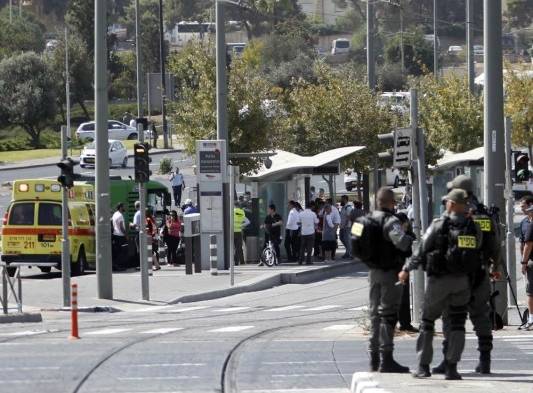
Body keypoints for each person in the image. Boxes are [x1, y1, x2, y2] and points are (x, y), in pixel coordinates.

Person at [399, 188, 483, 380]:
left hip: (439, 281)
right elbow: (476, 250)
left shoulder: (439, 225)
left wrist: (406, 269)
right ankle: (452, 367)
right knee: (458, 324)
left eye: (447, 202)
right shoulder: (473, 227)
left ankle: (423, 366)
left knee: (427, 322)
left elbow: (421, 250)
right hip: (463, 281)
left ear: (452, 204)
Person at [431, 175, 501, 375]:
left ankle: (448, 361)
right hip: (479, 272)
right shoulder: (485, 218)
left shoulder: (453, 213)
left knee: (450, 317)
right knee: (481, 316)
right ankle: (485, 360)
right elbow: (495, 246)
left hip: (455, 276)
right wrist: (495, 267)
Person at [363, 188, 414, 374]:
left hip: (373, 272)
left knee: (374, 315)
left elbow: (355, 243)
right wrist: (409, 239)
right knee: (388, 314)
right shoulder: (391, 221)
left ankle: (373, 357)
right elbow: (401, 242)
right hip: (389, 273)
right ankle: (387, 358)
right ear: (392, 202)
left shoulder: (365, 220)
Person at [395, 212, 418, 333]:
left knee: (404, 297)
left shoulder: (407, 234)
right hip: (395, 268)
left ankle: (405, 323)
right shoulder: (393, 233)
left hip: (403, 268)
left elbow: (413, 240)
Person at [521, 202, 533, 330]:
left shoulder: (531, 225)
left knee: (531, 292)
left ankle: (531, 319)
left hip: (532, 262)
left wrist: (524, 263)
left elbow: (528, 245)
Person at [111, 203, 128, 271]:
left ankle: (115, 266)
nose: (124, 208)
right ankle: (119, 266)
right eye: (123, 207)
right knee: (122, 252)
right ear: (120, 207)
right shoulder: (120, 215)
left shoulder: (115, 214)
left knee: (116, 252)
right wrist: (126, 235)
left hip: (115, 235)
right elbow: (121, 227)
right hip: (120, 236)